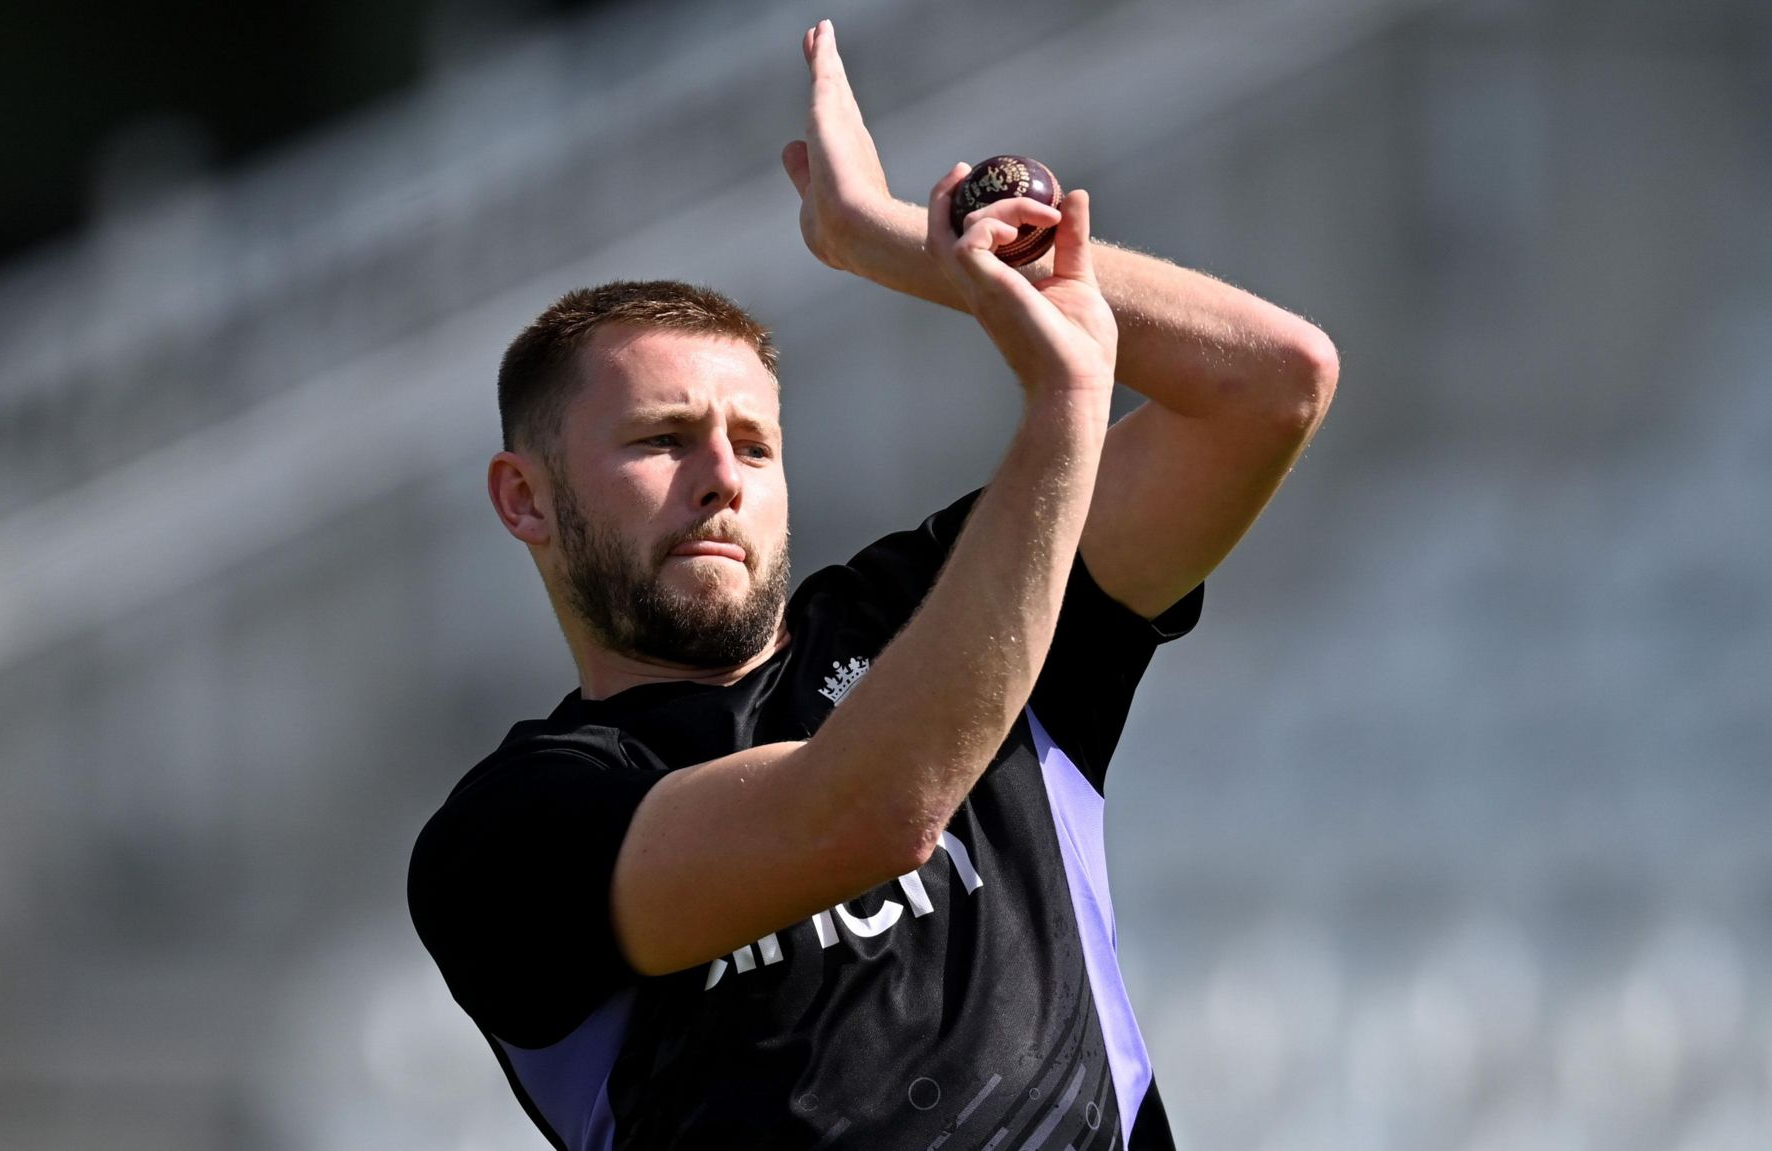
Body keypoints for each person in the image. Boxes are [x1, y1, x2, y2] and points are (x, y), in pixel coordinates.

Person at [408, 20, 1337, 1151]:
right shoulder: (511, 830)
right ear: (524, 498)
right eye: (660, 440)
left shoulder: (934, 602)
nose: (718, 479)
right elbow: (867, 811)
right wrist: (1061, 406)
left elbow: (1270, 385)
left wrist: (901, 241)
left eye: (754, 445)